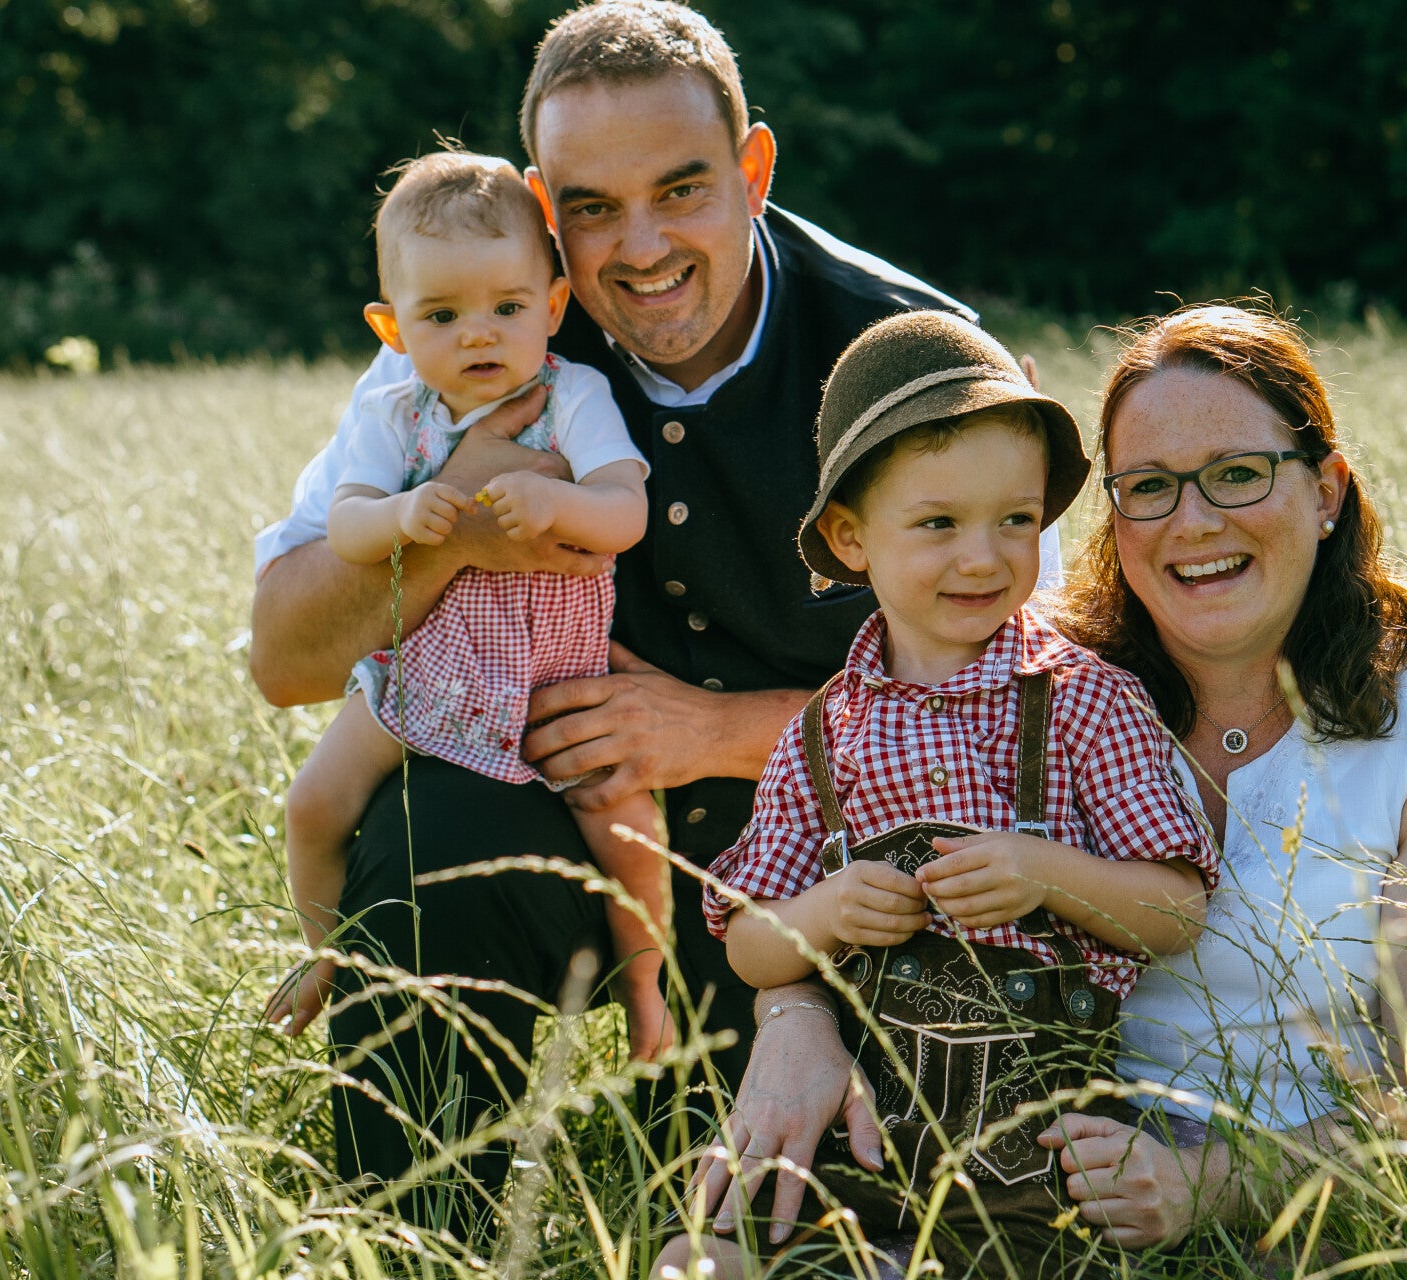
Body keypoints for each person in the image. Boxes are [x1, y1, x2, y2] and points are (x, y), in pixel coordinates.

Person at [247, 0, 1050, 1224]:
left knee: (848, 1222)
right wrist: (460, 518)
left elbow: (1034, 711)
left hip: (848, 866)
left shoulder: (913, 357)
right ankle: (413, 1226)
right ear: (540, 206)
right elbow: (285, 658)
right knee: (431, 832)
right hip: (570, 834)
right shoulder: (475, 326)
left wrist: (718, 730)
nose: (641, 246)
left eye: (682, 190)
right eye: (591, 207)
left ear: (754, 170)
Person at [690, 304, 1407, 1262]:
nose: (1194, 520)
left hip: (1290, 1221)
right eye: (1149, 487)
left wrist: (1213, 1183)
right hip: (991, 1153)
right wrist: (797, 1019)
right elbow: (811, 893)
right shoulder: (1024, 674)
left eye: (1238, 473)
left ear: (1326, 492)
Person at [668, 311, 1217, 1274]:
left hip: (1038, 1159)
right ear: (850, 538)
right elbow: (751, 945)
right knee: (696, 1258)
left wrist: (1045, 873)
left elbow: (1177, 910)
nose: (984, 557)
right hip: (860, 1131)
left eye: (1016, 520)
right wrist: (827, 910)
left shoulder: (1084, 702)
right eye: (938, 524)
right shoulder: (824, 736)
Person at [259, 150, 673, 1065]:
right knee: (314, 804)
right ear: (392, 327)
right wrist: (413, 513)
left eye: (507, 309)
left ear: (553, 306)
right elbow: (348, 525)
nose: (478, 335)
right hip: (424, 673)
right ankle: (328, 952)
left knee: (628, 831)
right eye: (442, 316)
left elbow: (626, 511)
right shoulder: (395, 413)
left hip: (551, 677)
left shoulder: (572, 396)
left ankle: (647, 985)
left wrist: (559, 502)